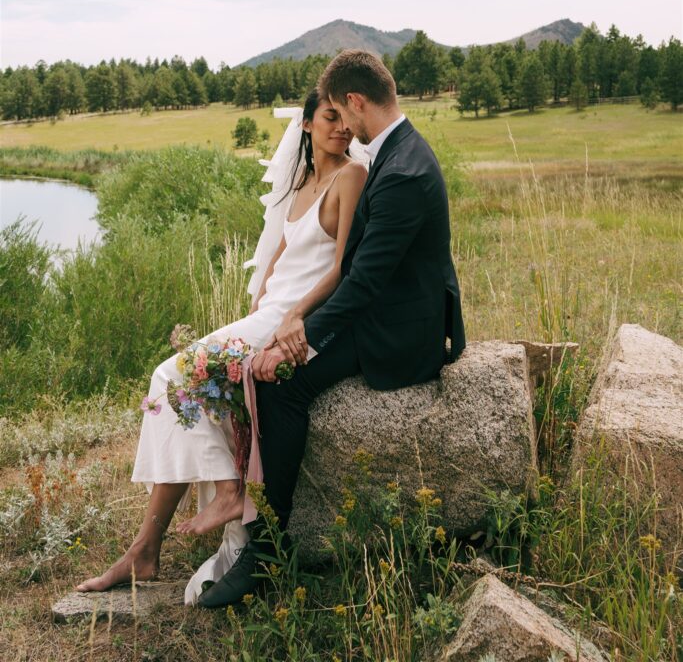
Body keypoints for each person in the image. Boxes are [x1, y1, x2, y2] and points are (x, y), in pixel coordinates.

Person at [196, 49, 466, 608]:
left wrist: (303, 338)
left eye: (347, 113)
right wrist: (295, 317)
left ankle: (268, 550)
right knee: (274, 364)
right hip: (382, 313)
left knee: (281, 383)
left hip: (398, 336)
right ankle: (259, 536)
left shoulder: (404, 172)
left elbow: (363, 284)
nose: (346, 126)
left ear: (358, 100)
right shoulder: (399, 153)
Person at [75, 89, 368, 599]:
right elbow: (281, 257)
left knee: (171, 376)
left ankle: (222, 498)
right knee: (180, 384)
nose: (340, 128)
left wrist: (293, 315)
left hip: (297, 322)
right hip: (271, 314)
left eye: (346, 119)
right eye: (329, 117)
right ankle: (146, 548)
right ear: (305, 125)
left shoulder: (351, 177)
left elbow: (344, 268)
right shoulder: (302, 183)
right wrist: (257, 306)